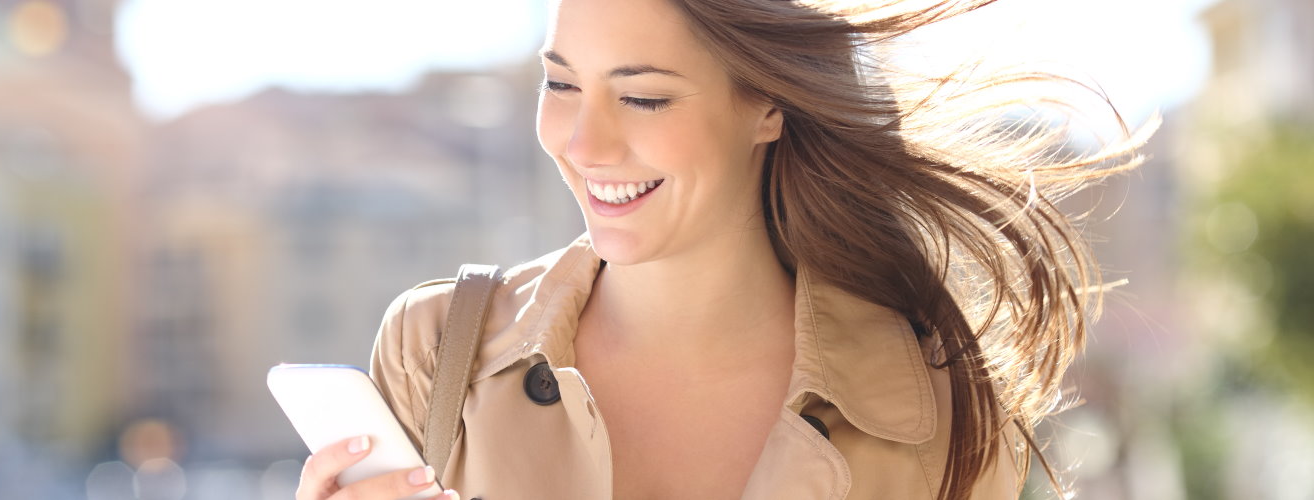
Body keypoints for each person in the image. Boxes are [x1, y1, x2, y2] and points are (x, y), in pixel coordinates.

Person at [295, 0, 1150, 498]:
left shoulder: (932, 407)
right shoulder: (436, 350)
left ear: (766, 107)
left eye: (645, 99)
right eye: (560, 85)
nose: (583, 142)